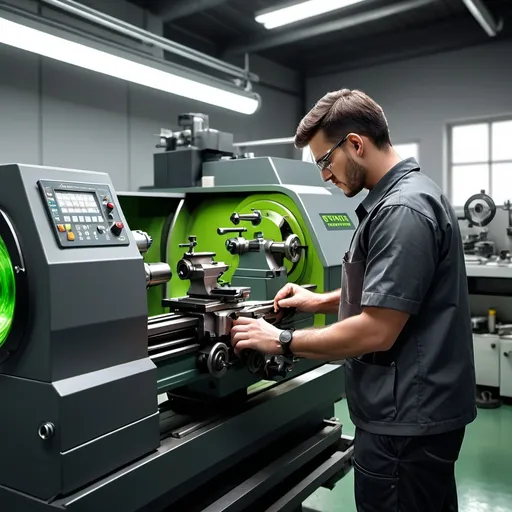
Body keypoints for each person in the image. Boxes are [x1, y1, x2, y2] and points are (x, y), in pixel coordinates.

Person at [230, 89, 476, 511]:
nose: (325, 175)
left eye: (325, 161)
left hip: (403, 425)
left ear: (356, 144)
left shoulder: (402, 210)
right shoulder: (409, 196)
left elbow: (376, 329)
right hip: (411, 416)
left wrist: (282, 341)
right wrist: (315, 302)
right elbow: (392, 291)